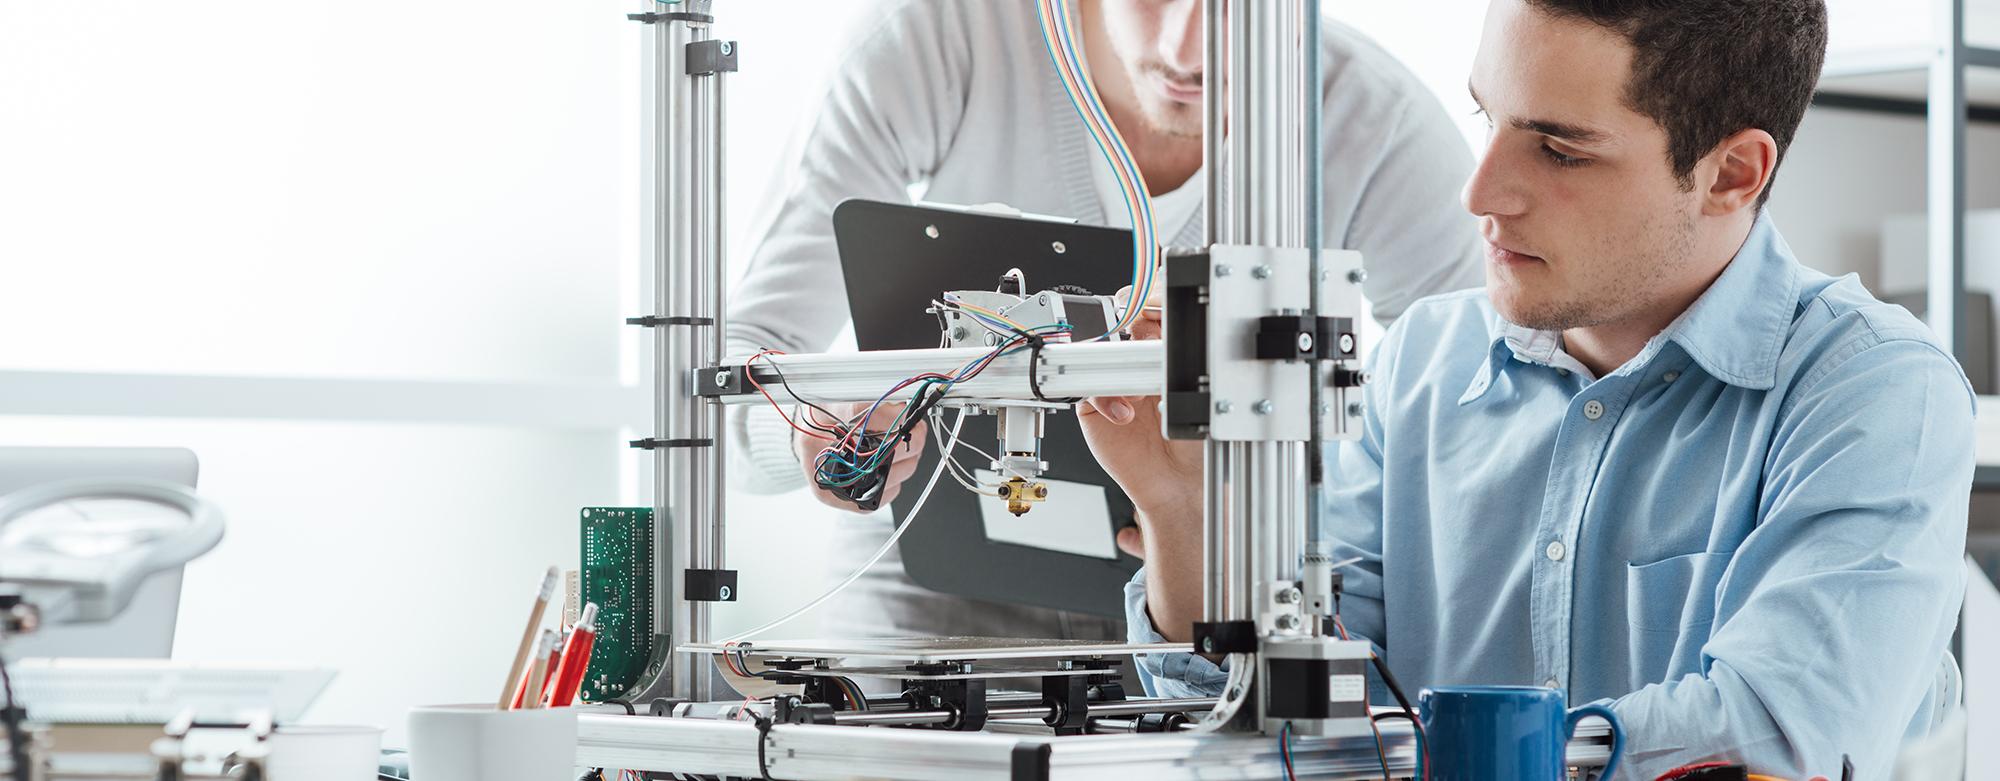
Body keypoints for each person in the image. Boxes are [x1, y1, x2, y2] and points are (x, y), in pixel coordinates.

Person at [1082, 0, 1973, 777]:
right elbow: (1284, 718)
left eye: (1558, 149)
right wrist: (1181, 510)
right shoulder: (1424, 359)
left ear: (1730, 172)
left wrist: (1439, 748)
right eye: (1488, 118)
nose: (1481, 191)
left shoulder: (1872, 391)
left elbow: (1771, 739)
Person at [725, 0, 1483, 642]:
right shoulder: (939, 36)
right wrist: (818, 429)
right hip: (919, 601)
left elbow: (1480, 414)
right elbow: (732, 377)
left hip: (1207, 607)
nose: (1185, 50)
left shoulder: (1375, 125)